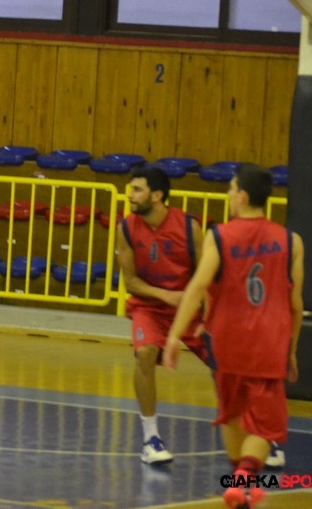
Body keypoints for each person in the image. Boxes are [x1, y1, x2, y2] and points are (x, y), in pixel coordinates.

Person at [163, 164, 304, 509]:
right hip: (269, 342)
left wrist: (174, 337)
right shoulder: (291, 241)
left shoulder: (219, 236)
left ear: (242, 196)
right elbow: (296, 305)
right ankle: (243, 479)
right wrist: (292, 349)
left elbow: (198, 287)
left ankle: (241, 491)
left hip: (226, 341)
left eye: (229, 189)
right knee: (266, 428)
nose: (227, 194)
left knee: (231, 413)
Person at [117, 165, 205, 465]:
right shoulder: (126, 228)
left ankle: (261, 434)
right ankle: (150, 439)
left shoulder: (188, 227)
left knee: (228, 363)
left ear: (157, 196)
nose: (130, 195)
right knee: (144, 353)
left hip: (189, 307)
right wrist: (165, 295)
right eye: (130, 189)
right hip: (150, 306)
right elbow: (130, 281)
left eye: (137, 189)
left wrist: (207, 314)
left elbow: (205, 276)